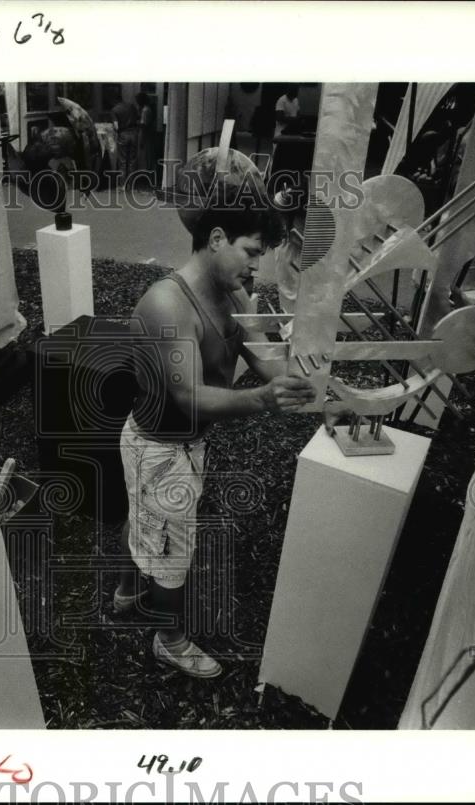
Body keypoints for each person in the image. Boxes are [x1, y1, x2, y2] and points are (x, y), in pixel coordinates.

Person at [113, 149, 317, 678]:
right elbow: (188, 394)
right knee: (174, 551)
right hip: (158, 444)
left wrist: (305, 377)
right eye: (252, 251)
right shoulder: (167, 303)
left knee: (148, 522)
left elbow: (267, 363)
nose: (257, 266)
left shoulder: (232, 296)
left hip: (183, 442)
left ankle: (130, 585)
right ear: (218, 237)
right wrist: (260, 401)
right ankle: (170, 639)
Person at [112, 98, 140, 186]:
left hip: (123, 134)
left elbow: (116, 127)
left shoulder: (114, 110)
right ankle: (131, 185)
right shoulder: (131, 106)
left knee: (122, 161)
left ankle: (122, 185)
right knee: (132, 161)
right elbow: (138, 119)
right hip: (134, 134)